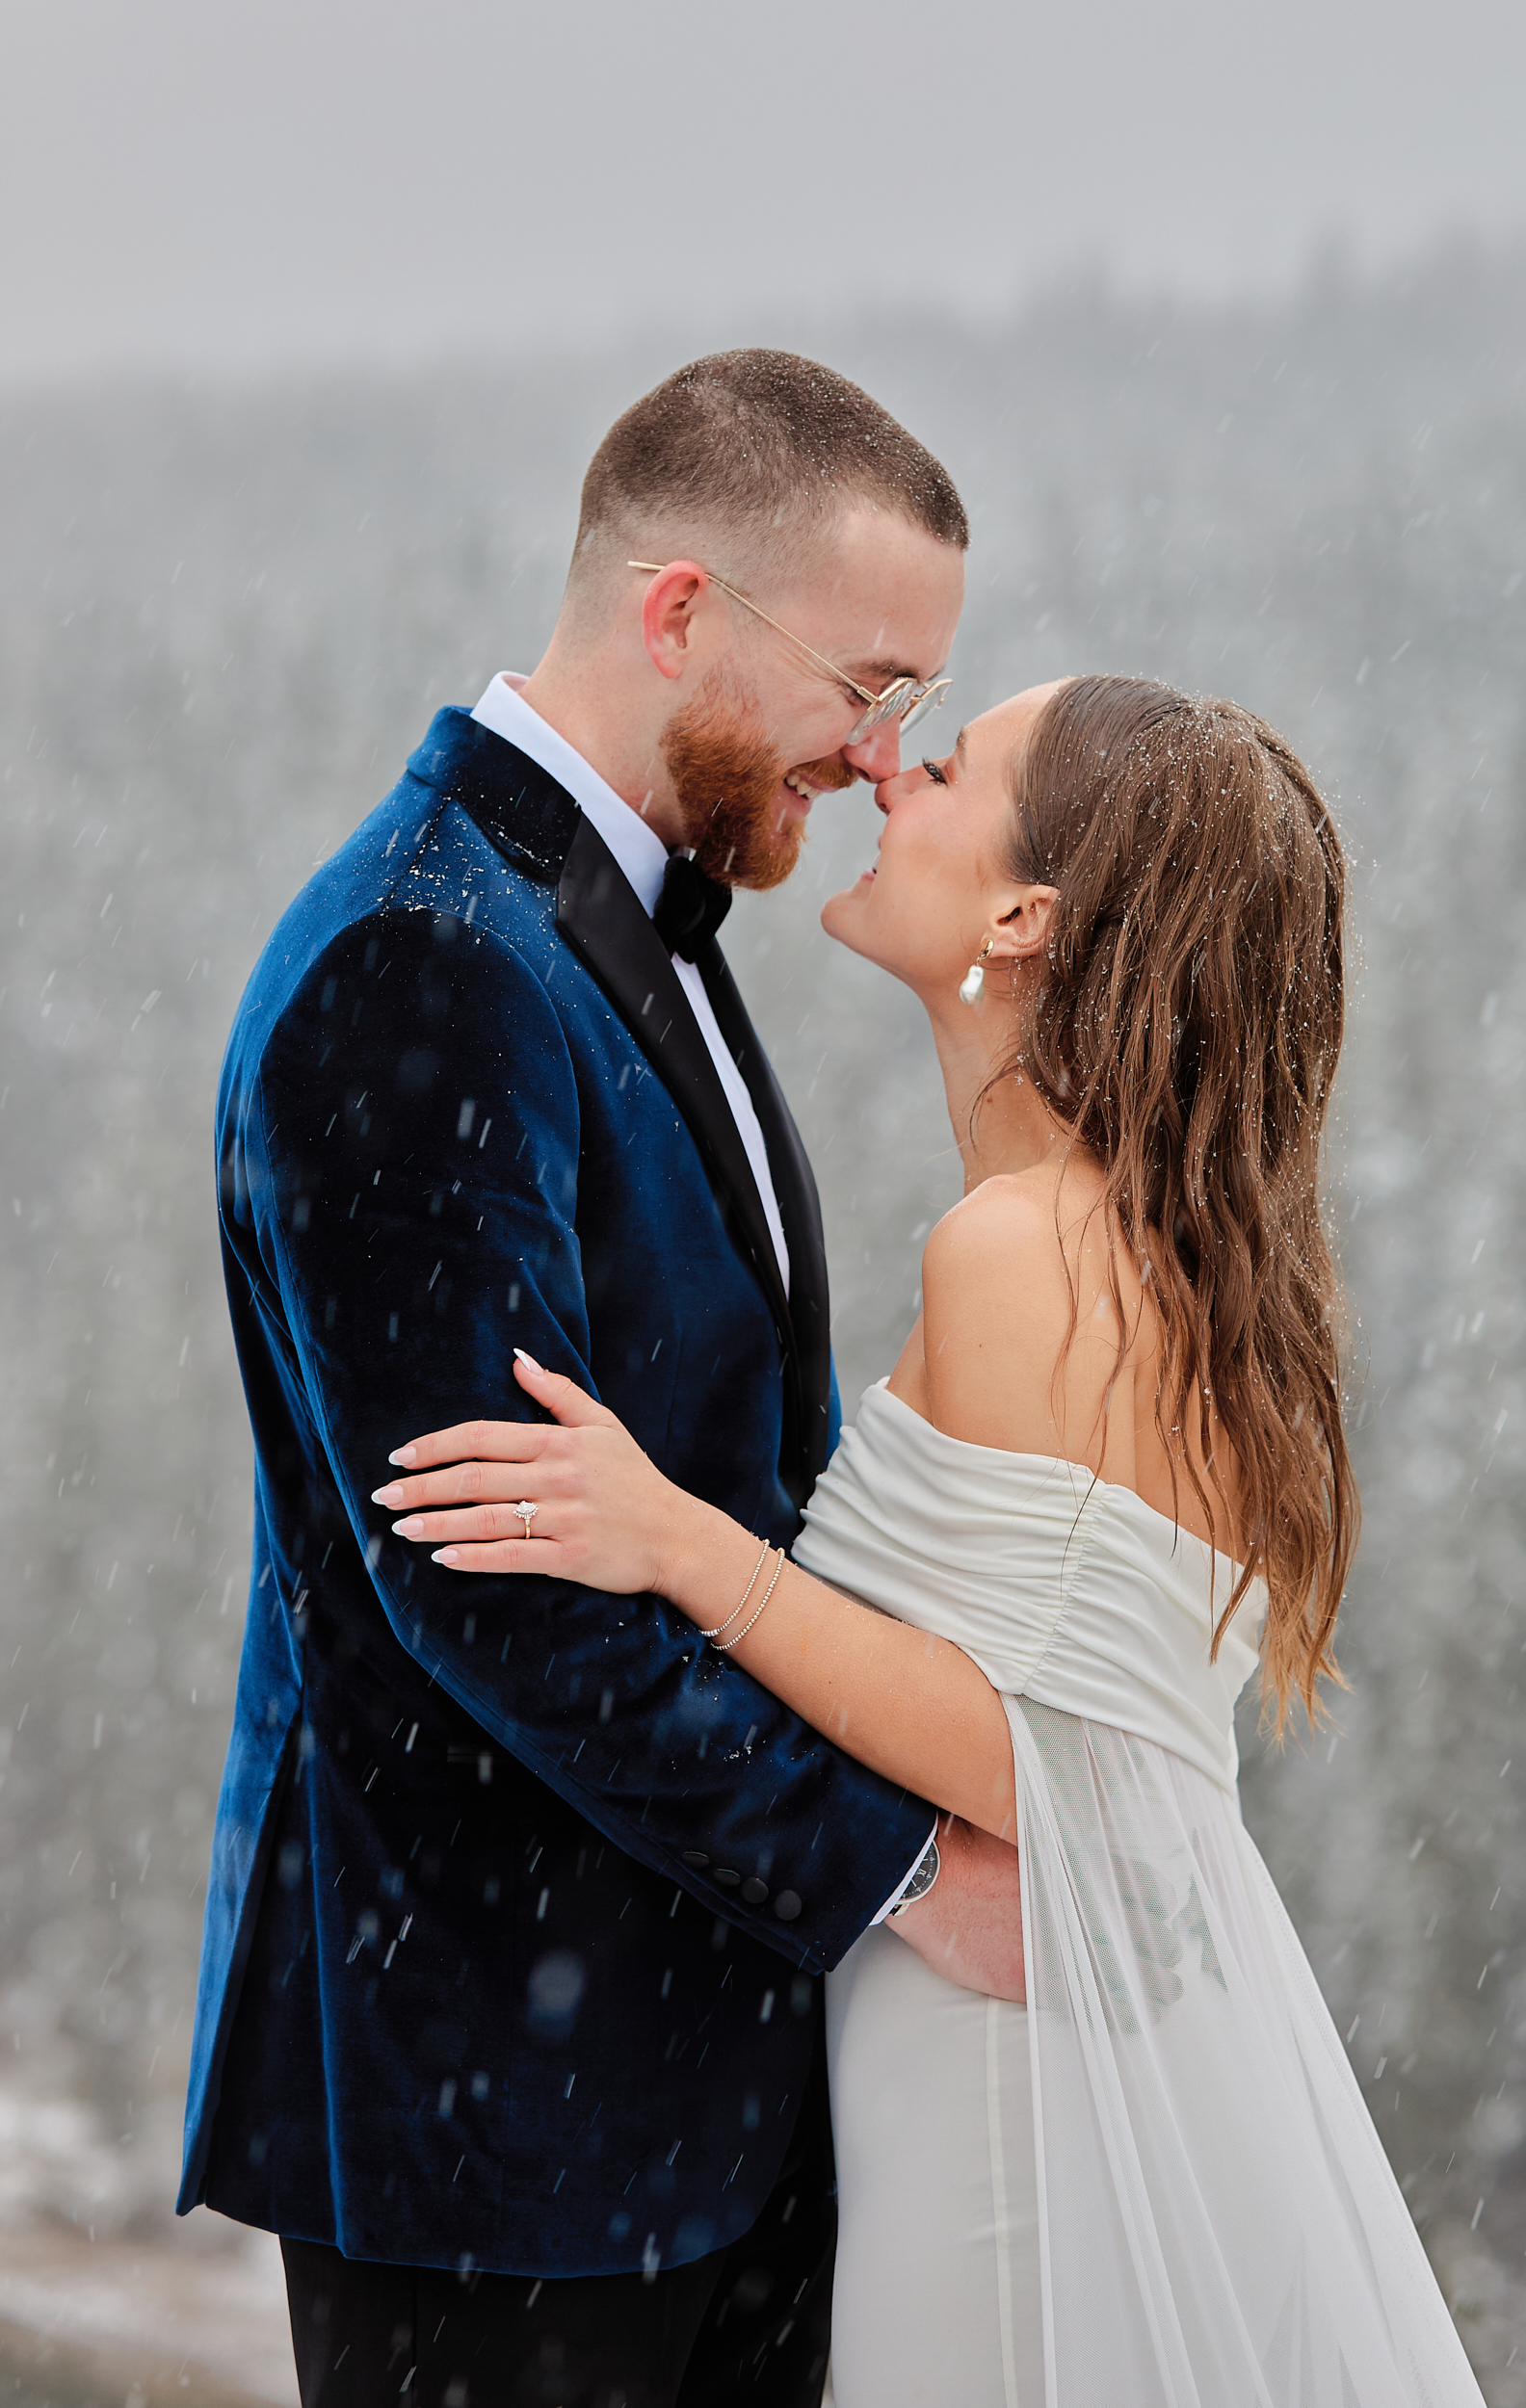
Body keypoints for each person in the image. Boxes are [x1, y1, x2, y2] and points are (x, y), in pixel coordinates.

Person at [383, 675, 1491, 2404]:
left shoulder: (1031, 1251)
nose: (892, 767)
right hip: (1026, 2049)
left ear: (1026, 915)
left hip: (1013, 2093)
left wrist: (682, 1544)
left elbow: (1027, 1754)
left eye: (953, 762)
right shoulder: (1104, 1242)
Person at [180, 349, 1026, 2408]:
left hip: (689, 2090)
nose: (878, 756)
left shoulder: (607, 918)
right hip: (492, 2118)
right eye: (870, 683)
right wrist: (896, 1867)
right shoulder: (422, 955)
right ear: (677, 611)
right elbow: (492, 1583)